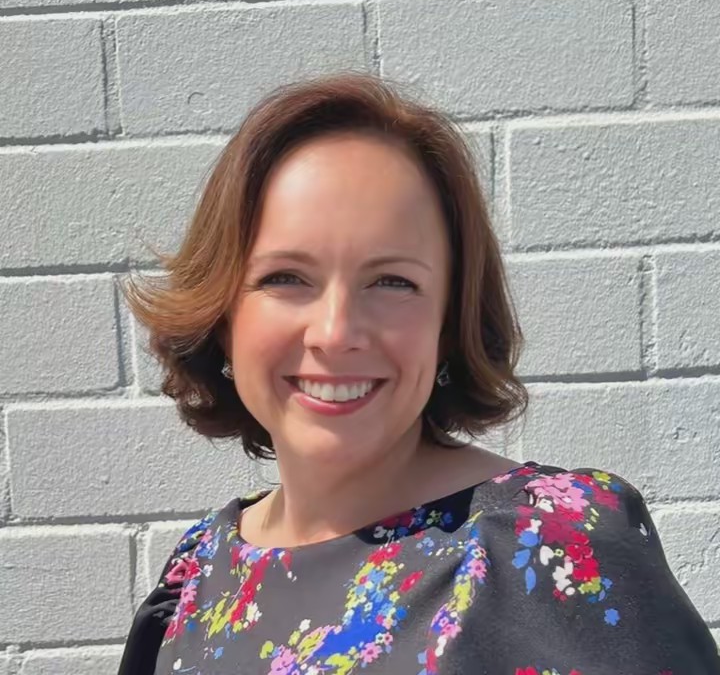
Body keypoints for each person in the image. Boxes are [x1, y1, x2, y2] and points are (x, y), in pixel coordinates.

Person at [117, 71, 720, 675]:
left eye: (392, 281)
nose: (335, 332)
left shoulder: (551, 545)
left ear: (449, 320)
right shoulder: (196, 573)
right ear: (223, 315)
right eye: (285, 278)